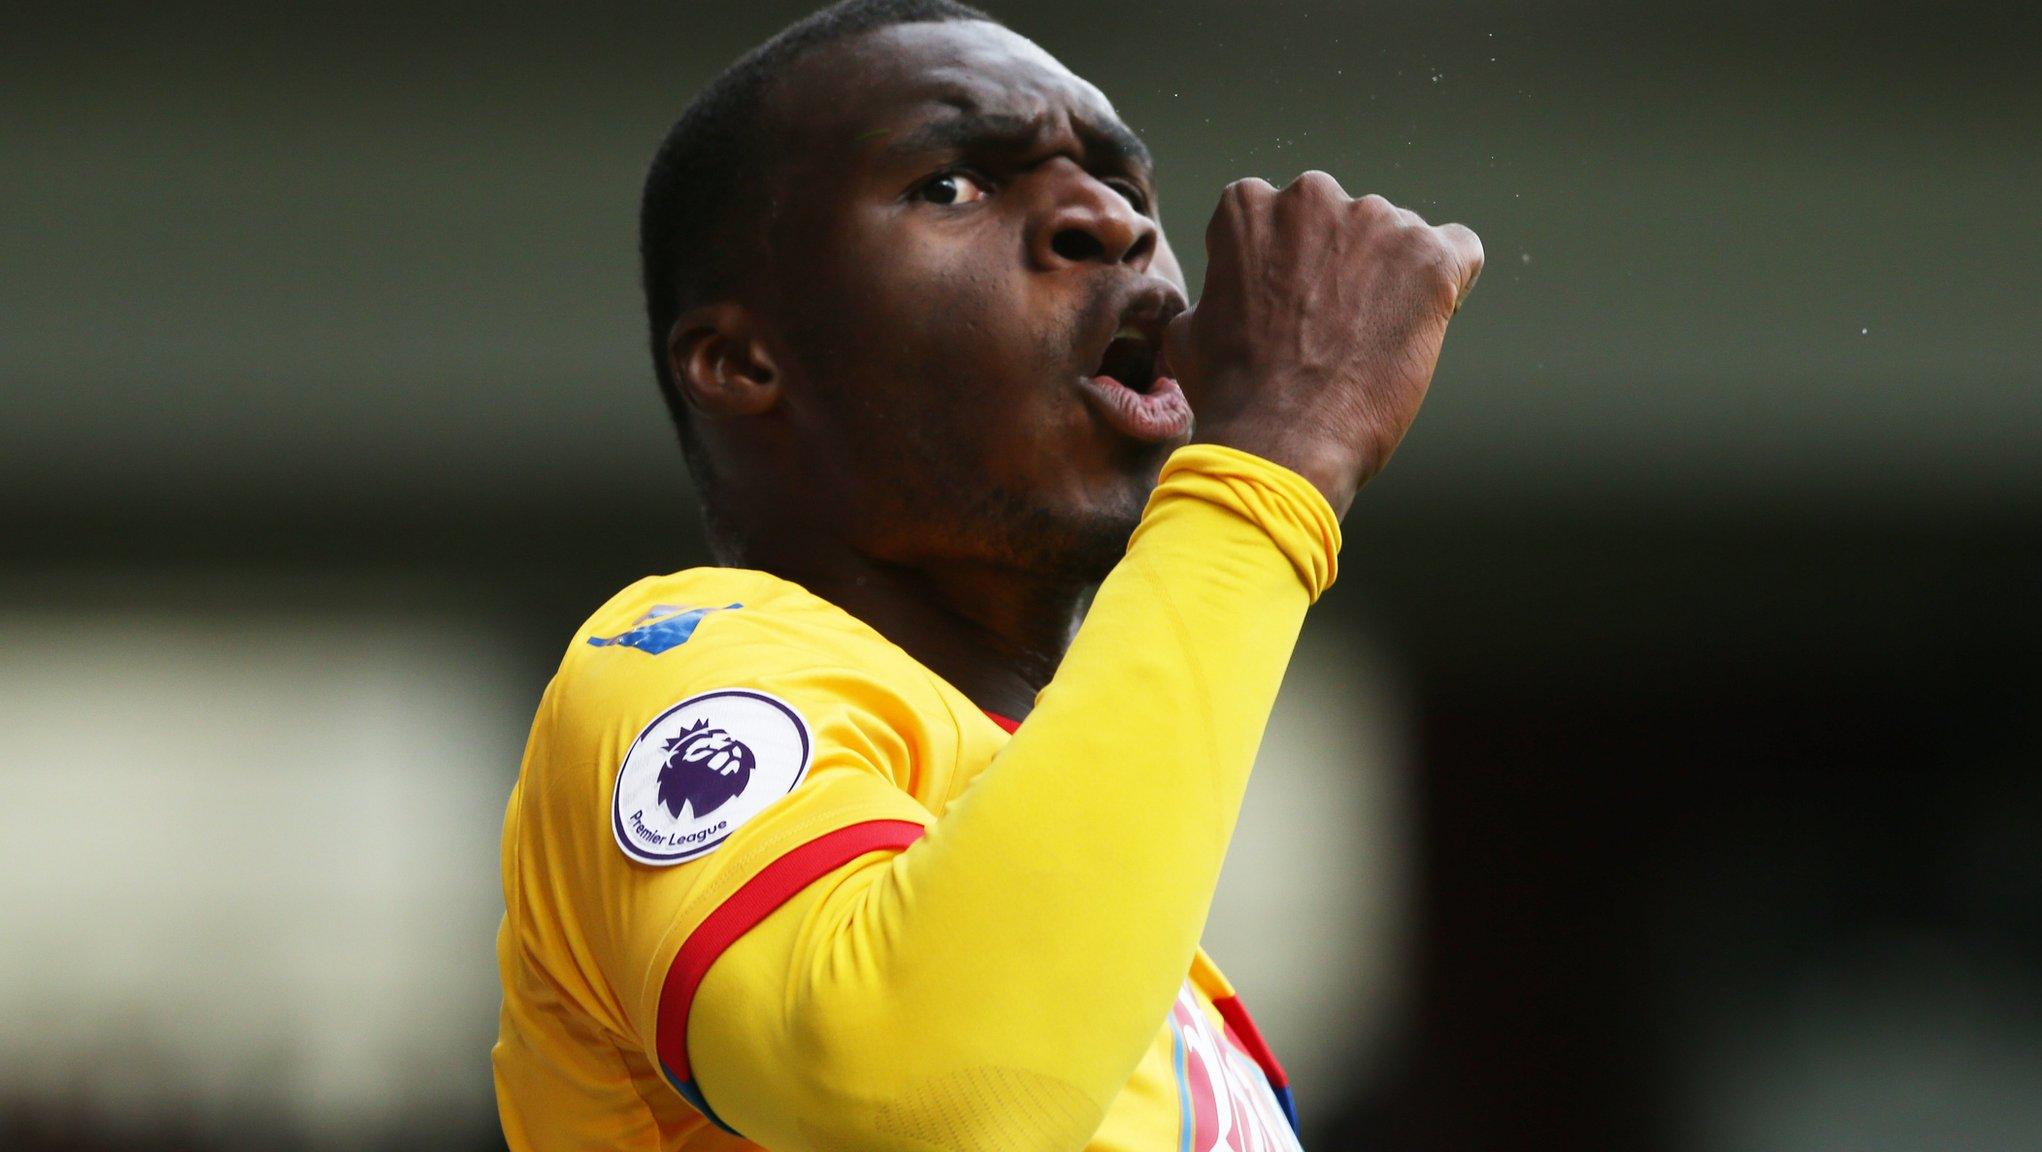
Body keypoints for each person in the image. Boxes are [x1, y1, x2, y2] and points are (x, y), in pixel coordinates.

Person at [491, 1, 1482, 1148]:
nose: (1103, 220)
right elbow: (920, 1096)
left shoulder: (1142, 959)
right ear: (741, 361)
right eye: (952, 185)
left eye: (1125, 187)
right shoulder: (680, 663)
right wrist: (1271, 470)